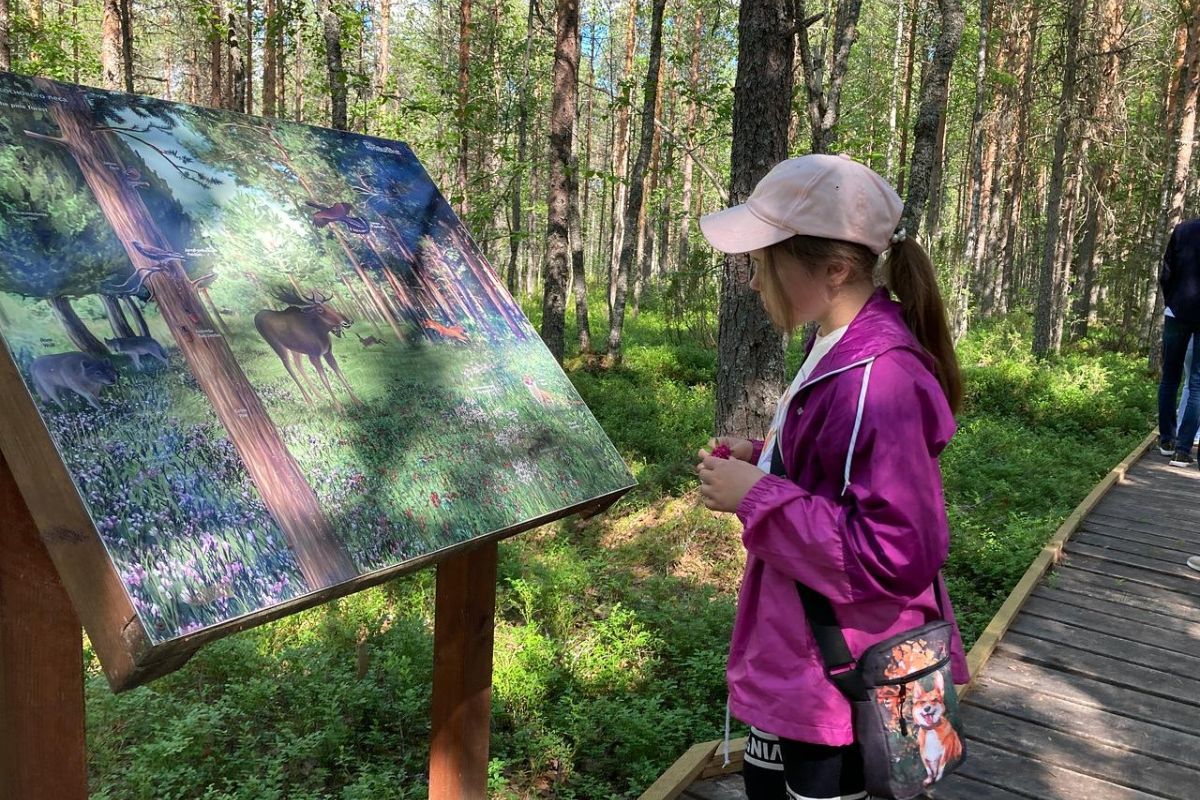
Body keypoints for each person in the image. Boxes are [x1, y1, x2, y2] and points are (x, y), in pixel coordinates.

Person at [694, 154, 969, 800]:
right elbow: (834, 472)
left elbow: (898, 548)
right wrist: (765, 456)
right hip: (808, 661)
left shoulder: (883, 378)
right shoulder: (837, 346)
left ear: (835, 270)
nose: (754, 281)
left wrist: (758, 496)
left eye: (766, 262)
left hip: (847, 684)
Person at [1157, 217, 1200, 465]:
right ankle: (1183, 451)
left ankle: (1166, 439)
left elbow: (1166, 272)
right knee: (1196, 384)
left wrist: (1171, 301)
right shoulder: (1182, 230)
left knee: (1170, 378)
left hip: (1177, 312)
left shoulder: (1182, 230)